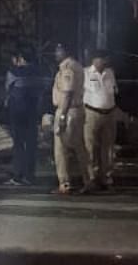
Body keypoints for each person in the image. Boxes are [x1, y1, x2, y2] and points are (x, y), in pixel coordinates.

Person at [51, 43, 89, 195]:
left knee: (62, 148)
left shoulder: (68, 68)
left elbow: (67, 93)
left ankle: (65, 183)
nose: (55, 53)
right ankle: (87, 179)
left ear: (65, 51)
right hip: (76, 110)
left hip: (67, 111)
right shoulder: (77, 66)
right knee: (79, 147)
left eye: (58, 50)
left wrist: (61, 116)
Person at [83, 51, 119, 190]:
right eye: (100, 59)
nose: (102, 62)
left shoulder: (110, 73)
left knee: (108, 147)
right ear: (94, 60)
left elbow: (114, 92)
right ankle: (91, 177)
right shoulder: (86, 73)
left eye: (105, 59)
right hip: (91, 113)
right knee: (90, 146)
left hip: (109, 113)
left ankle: (106, 177)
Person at [4, 51, 40, 186]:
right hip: (33, 111)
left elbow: (8, 88)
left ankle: (18, 175)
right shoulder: (38, 72)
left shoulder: (13, 72)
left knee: (18, 144)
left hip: (17, 111)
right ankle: (30, 176)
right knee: (31, 143)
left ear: (20, 58)